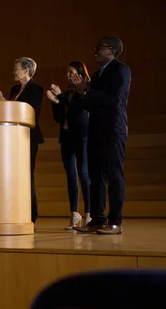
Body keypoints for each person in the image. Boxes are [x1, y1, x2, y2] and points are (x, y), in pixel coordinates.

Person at [71, 36, 131, 235]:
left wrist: (87, 90)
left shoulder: (121, 70)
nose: (96, 50)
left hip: (113, 130)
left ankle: (115, 222)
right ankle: (97, 219)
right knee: (96, 177)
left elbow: (114, 99)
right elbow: (88, 104)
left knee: (114, 175)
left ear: (112, 50)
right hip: (95, 131)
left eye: (100, 47)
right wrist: (81, 92)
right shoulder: (96, 76)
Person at [46, 62, 92, 229]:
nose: (67, 75)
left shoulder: (85, 91)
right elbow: (59, 118)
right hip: (66, 137)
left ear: (80, 73)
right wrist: (55, 102)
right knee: (71, 176)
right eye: (67, 72)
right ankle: (74, 214)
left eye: (71, 72)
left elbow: (78, 110)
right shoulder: (66, 94)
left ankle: (89, 214)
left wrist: (61, 98)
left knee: (84, 174)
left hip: (82, 136)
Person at [10, 57, 44, 226]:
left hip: (28, 137)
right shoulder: (14, 89)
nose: (14, 71)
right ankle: (15, 211)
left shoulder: (36, 89)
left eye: (17, 68)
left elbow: (31, 112)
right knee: (14, 176)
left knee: (27, 175)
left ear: (26, 70)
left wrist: (7, 105)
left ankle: (31, 214)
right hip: (12, 138)